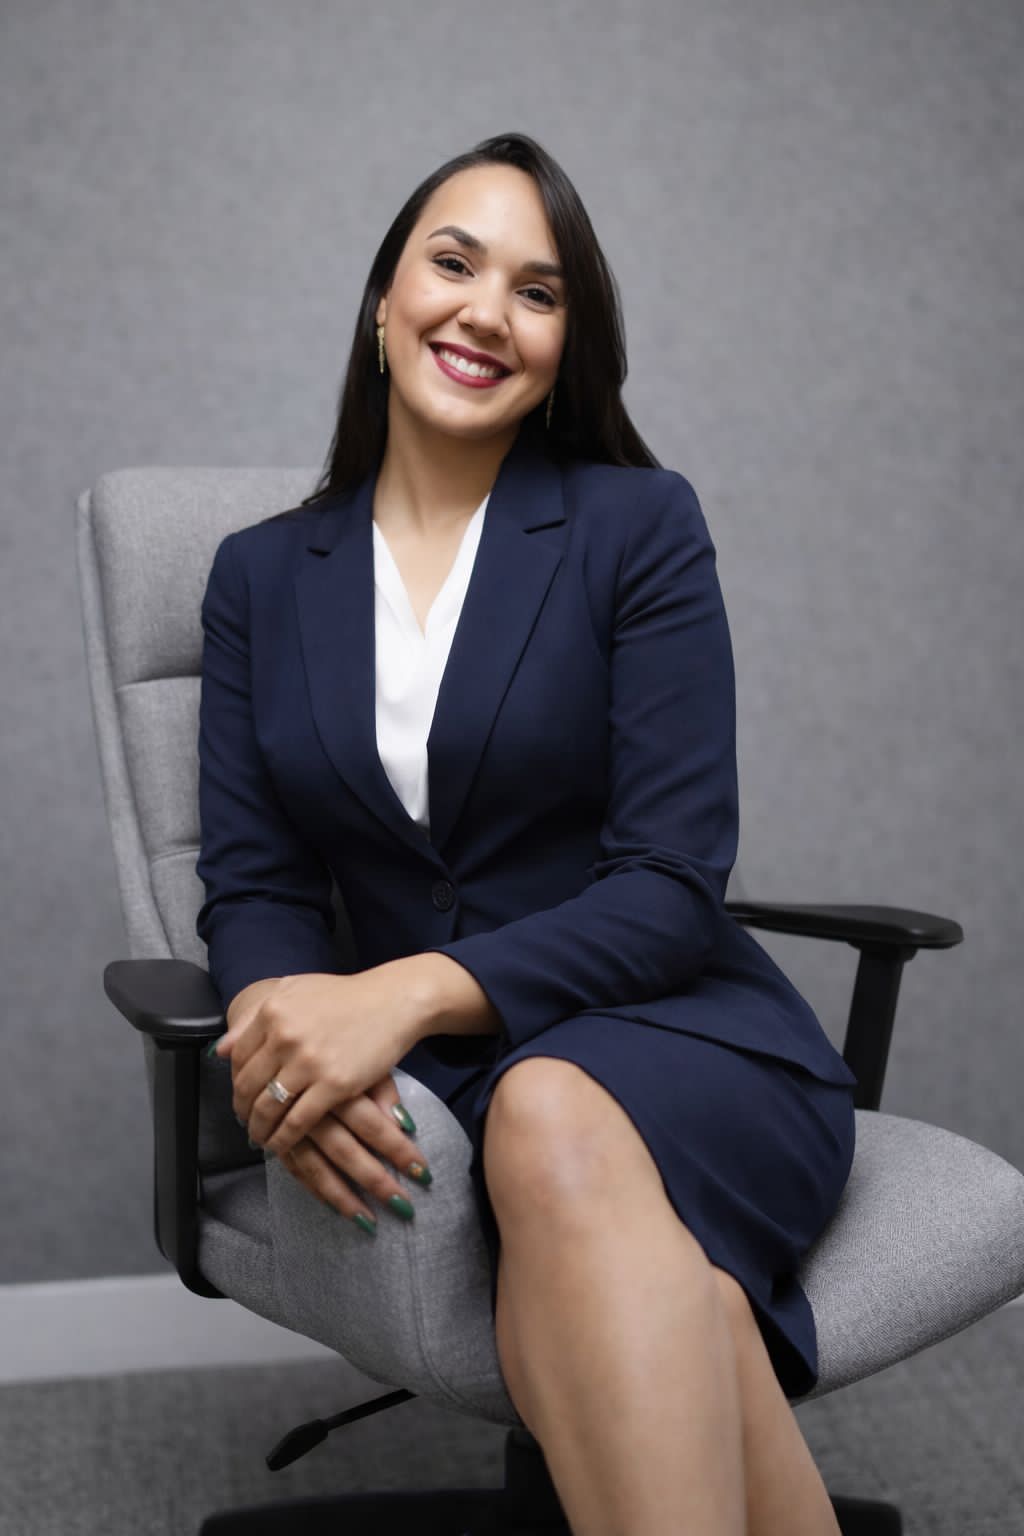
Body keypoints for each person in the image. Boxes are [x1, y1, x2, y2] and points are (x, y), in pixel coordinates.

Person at [196, 131, 858, 1535]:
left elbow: (671, 887)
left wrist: (396, 996)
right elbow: (254, 883)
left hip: (682, 1039)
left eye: (538, 291)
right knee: (679, 1301)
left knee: (553, 1106)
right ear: (383, 304)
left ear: (565, 351)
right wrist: (280, 1040)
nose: (488, 311)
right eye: (454, 262)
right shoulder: (259, 576)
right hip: (452, 1091)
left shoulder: (637, 525)